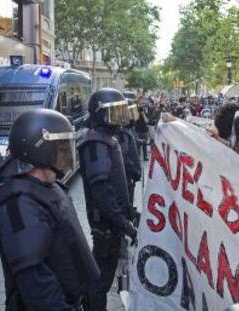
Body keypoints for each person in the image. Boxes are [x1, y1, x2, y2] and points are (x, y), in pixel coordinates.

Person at [0, 109, 99, 310]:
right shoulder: (19, 204)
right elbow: (37, 288)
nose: (67, 153)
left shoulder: (49, 186)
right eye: (62, 147)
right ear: (39, 150)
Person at [77, 88, 138, 311]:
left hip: (111, 223)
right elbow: (101, 191)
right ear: (100, 113)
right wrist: (125, 224)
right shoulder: (96, 144)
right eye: (115, 112)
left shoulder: (104, 140)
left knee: (101, 275)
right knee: (101, 280)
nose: (120, 117)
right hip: (107, 225)